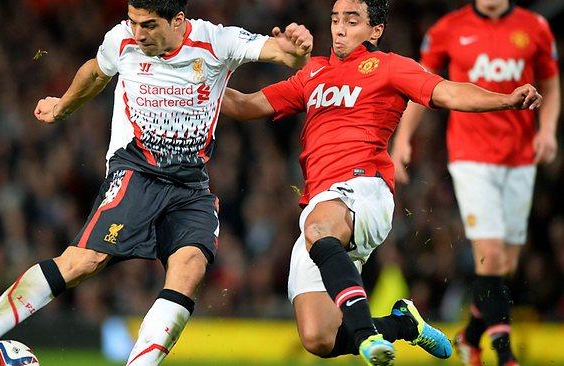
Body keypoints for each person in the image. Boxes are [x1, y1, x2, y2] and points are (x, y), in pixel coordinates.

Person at [0, 1, 313, 365]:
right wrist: (63, 106)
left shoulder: (217, 41)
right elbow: (96, 72)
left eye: (149, 25)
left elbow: (283, 55)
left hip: (190, 183)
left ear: (178, 21)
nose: (138, 33)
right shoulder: (122, 41)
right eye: (133, 21)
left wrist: (295, 49)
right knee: (84, 262)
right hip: (136, 170)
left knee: (191, 267)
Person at [221, 0, 543, 365]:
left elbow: (449, 92)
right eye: (335, 20)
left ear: (375, 31)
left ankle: (365, 339)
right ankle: (402, 325)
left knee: (318, 227)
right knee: (319, 337)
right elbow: (246, 105)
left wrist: (506, 100)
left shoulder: (390, 67)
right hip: (321, 205)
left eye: (352, 21)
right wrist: (198, 79)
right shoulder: (311, 73)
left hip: (364, 191)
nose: (339, 28)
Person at [390, 0, 560, 364]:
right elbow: (424, 84)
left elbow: (551, 79)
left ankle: (470, 335)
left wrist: (547, 130)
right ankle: (504, 353)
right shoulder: (448, 29)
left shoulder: (535, 28)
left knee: (506, 265)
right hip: (471, 158)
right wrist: (404, 137)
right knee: (492, 256)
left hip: (519, 156)